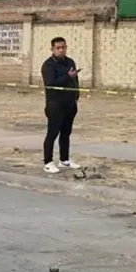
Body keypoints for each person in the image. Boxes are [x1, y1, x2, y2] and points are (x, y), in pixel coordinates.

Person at [41, 37, 81, 174]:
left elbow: (75, 80)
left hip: (69, 104)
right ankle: (48, 162)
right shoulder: (48, 65)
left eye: (63, 47)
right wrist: (67, 77)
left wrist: (76, 96)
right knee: (52, 133)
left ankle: (64, 160)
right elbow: (51, 84)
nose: (61, 50)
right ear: (52, 49)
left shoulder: (70, 62)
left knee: (66, 133)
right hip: (55, 105)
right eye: (58, 48)